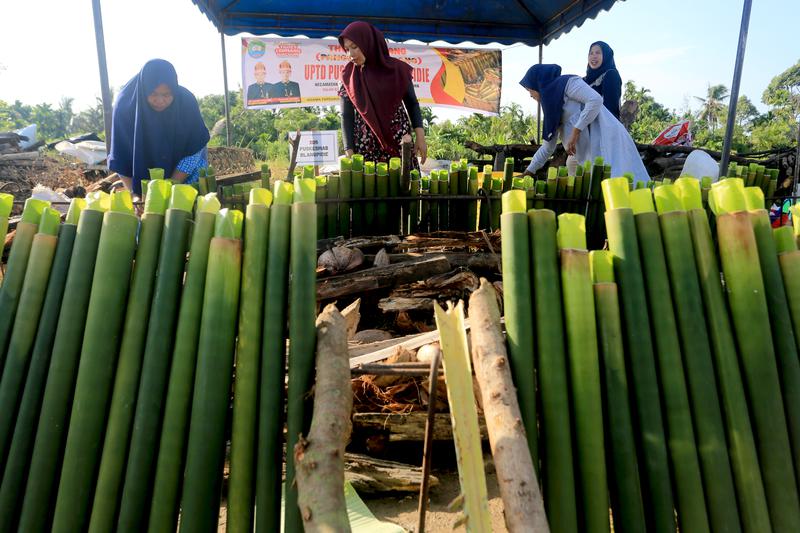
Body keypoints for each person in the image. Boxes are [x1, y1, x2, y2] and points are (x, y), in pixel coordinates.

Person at [520, 64, 648, 184]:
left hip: (606, 138)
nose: (530, 95)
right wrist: (529, 172)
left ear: (538, 83)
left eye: (529, 90)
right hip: (586, 152)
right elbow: (548, 147)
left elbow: (595, 100)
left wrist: (576, 131)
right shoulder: (550, 107)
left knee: (619, 182)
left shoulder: (568, 83)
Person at [108, 59, 210, 197]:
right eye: (153, 94)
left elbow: (195, 147)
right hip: (142, 179)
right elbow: (120, 156)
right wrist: (135, 194)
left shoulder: (186, 101)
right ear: (144, 90)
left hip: (187, 172)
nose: (160, 101)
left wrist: (172, 185)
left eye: (166, 95)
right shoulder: (125, 106)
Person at [337, 21, 427, 166]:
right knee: (370, 180)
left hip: (400, 143)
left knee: (404, 179)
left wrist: (420, 138)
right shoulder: (348, 76)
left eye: (355, 47)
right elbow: (346, 115)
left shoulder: (397, 70)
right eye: (347, 49)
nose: (350, 54)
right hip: (366, 149)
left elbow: (412, 104)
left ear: (369, 43)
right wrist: (349, 149)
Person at [584, 41, 622, 119]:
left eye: (598, 53)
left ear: (606, 55)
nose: (594, 56)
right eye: (591, 53)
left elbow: (610, 110)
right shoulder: (585, 80)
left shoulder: (611, 75)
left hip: (603, 124)